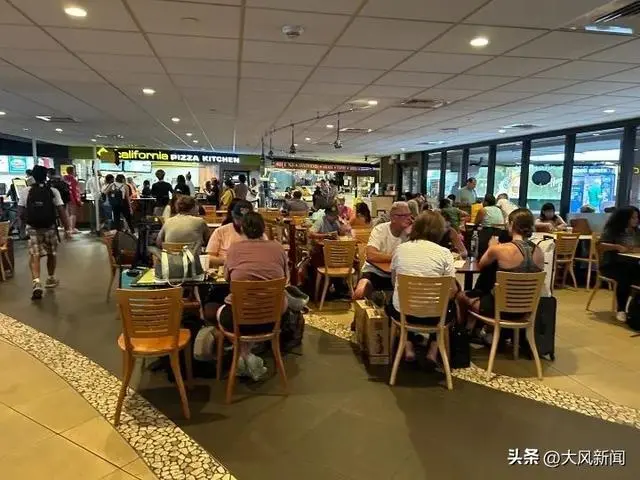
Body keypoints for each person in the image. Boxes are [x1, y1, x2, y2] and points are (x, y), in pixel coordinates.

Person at [206, 211, 288, 379]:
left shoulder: (234, 249)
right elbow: (285, 278)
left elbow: (228, 279)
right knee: (281, 300)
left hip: (238, 319)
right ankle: (247, 356)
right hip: (272, 318)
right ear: (263, 228)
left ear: (242, 228)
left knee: (221, 310)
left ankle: (243, 356)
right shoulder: (278, 248)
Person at [458, 208, 544, 338]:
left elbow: (481, 265)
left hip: (498, 309)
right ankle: (486, 332)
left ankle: (463, 335)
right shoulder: (539, 252)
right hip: (526, 311)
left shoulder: (499, 249)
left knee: (461, 296)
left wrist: (492, 247)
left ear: (511, 224)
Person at [388, 211, 459, 363]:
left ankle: (408, 348)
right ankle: (433, 351)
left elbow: (394, 283)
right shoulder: (445, 253)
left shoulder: (401, 249)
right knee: (449, 307)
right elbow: (452, 290)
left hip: (403, 314)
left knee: (396, 302)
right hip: (434, 317)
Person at [18, 165, 72, 300]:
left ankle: (36, 282)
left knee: (35, 255)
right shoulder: (52, 191)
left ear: (32, 177)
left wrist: (22, 228)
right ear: (46, 177)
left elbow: (20, 212)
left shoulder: (25, 191)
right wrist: (67, 228)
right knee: (51, 253)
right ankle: (50, 278)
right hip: (49, 227)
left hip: (32, 227)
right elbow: (61, 211)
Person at [352, 202, 412, 301]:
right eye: (404, 216)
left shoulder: (411, 233)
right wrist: (396, 257)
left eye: (410, 215)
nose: (409, 219)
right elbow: (371, 255)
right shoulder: (380, 230)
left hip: (398, 275)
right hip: (374, 272)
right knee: (360, 292)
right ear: (393, 218)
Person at [599, 206, 640, 322]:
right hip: (612, 265)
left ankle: (635, 307)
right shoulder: (612, 231)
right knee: (625, 276)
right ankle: (621, 309)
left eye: (637, 217)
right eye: (633, 218)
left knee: (632, 272)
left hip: (632, 263)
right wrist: (616, 247)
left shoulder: (637, 232)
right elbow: (600, 245)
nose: (636, 220)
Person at [206, 199, 254, 266]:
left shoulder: (258, 232)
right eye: (238, 219)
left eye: (246, 219)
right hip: (225, 268)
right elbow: (209, 258)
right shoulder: (220, 231)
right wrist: (227, 261)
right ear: (233, 216)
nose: (242, 222)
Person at [63, 166, 82, 233]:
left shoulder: (63, 179)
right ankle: (72, 228)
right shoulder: (73, 180)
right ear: (73, 171)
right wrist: (78, 201)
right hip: (72, 199)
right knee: (73, 213)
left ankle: (68, 228)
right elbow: (75, 191)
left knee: (67, 213)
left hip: (65, 199)